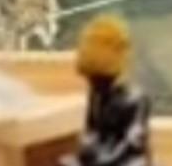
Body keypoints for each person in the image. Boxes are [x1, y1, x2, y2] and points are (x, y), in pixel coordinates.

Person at [61, 15, 152, 166]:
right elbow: (91, 130)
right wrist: (87, 147)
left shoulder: (135, 100)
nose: (93, 84)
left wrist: (105, 160)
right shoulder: (96, 96)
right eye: (91, 79)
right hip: (101, 155)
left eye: (97, 79)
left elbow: (132, 143)